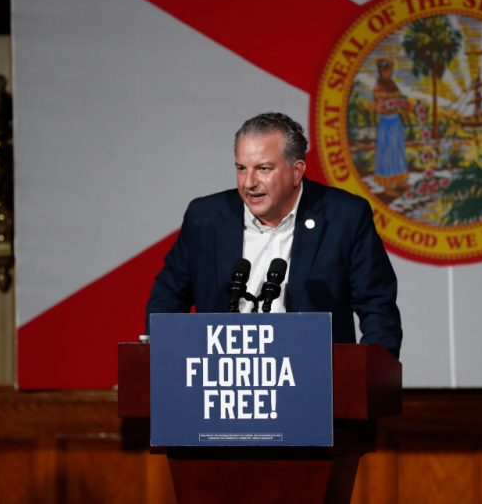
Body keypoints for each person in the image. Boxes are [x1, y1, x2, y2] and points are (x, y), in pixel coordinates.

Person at [147, 112, 402, 357]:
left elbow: (377, 306)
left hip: (313, 380)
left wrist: (366, 379)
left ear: (296, 171)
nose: (249, 182)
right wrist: (167, 359)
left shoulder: (344, 217)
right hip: (224, 381)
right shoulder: (206, 217)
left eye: (263, 169)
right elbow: (167, 296)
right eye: (241, 168)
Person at [373, 59, 410, 195]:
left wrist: (403, 105)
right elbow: (378, 107)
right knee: (387, 152)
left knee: (398, 150)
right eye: (387, 71)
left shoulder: (393, 85)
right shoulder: (378, 87)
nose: (390, 73)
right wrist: (385, 106)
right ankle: (388, 186)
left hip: (396, 121)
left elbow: (400, 100)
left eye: (391, 71)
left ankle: (400, 181)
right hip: (386, 122)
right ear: (382, 72)